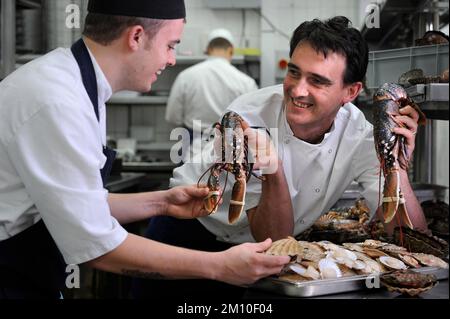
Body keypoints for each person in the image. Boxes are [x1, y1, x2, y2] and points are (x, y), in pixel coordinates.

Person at [0, 0, 290, 299]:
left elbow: (79, 205)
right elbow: (97, 246)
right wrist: (219, 266)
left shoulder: (77, 86)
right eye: (171, 45)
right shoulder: (58, 102)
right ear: (136, 37)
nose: (173, 59)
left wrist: (162, 203)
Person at [134, 16, 429, 297]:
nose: (298, 90)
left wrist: (396, 164)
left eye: (318, 81)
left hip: (257, 258)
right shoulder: (247, 116)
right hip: (188, 237)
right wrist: (273, 167)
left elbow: (410, 239)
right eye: (294, 72)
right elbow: (274, 236)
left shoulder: (360, 135)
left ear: (350, 92)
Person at [165, 28, 258, 143]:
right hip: (230, 147)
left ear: (208, 49)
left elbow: (173, 116)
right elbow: (253, 120)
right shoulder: (246, 82)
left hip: (193, 145)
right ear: (231, 50)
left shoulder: (185, 76)